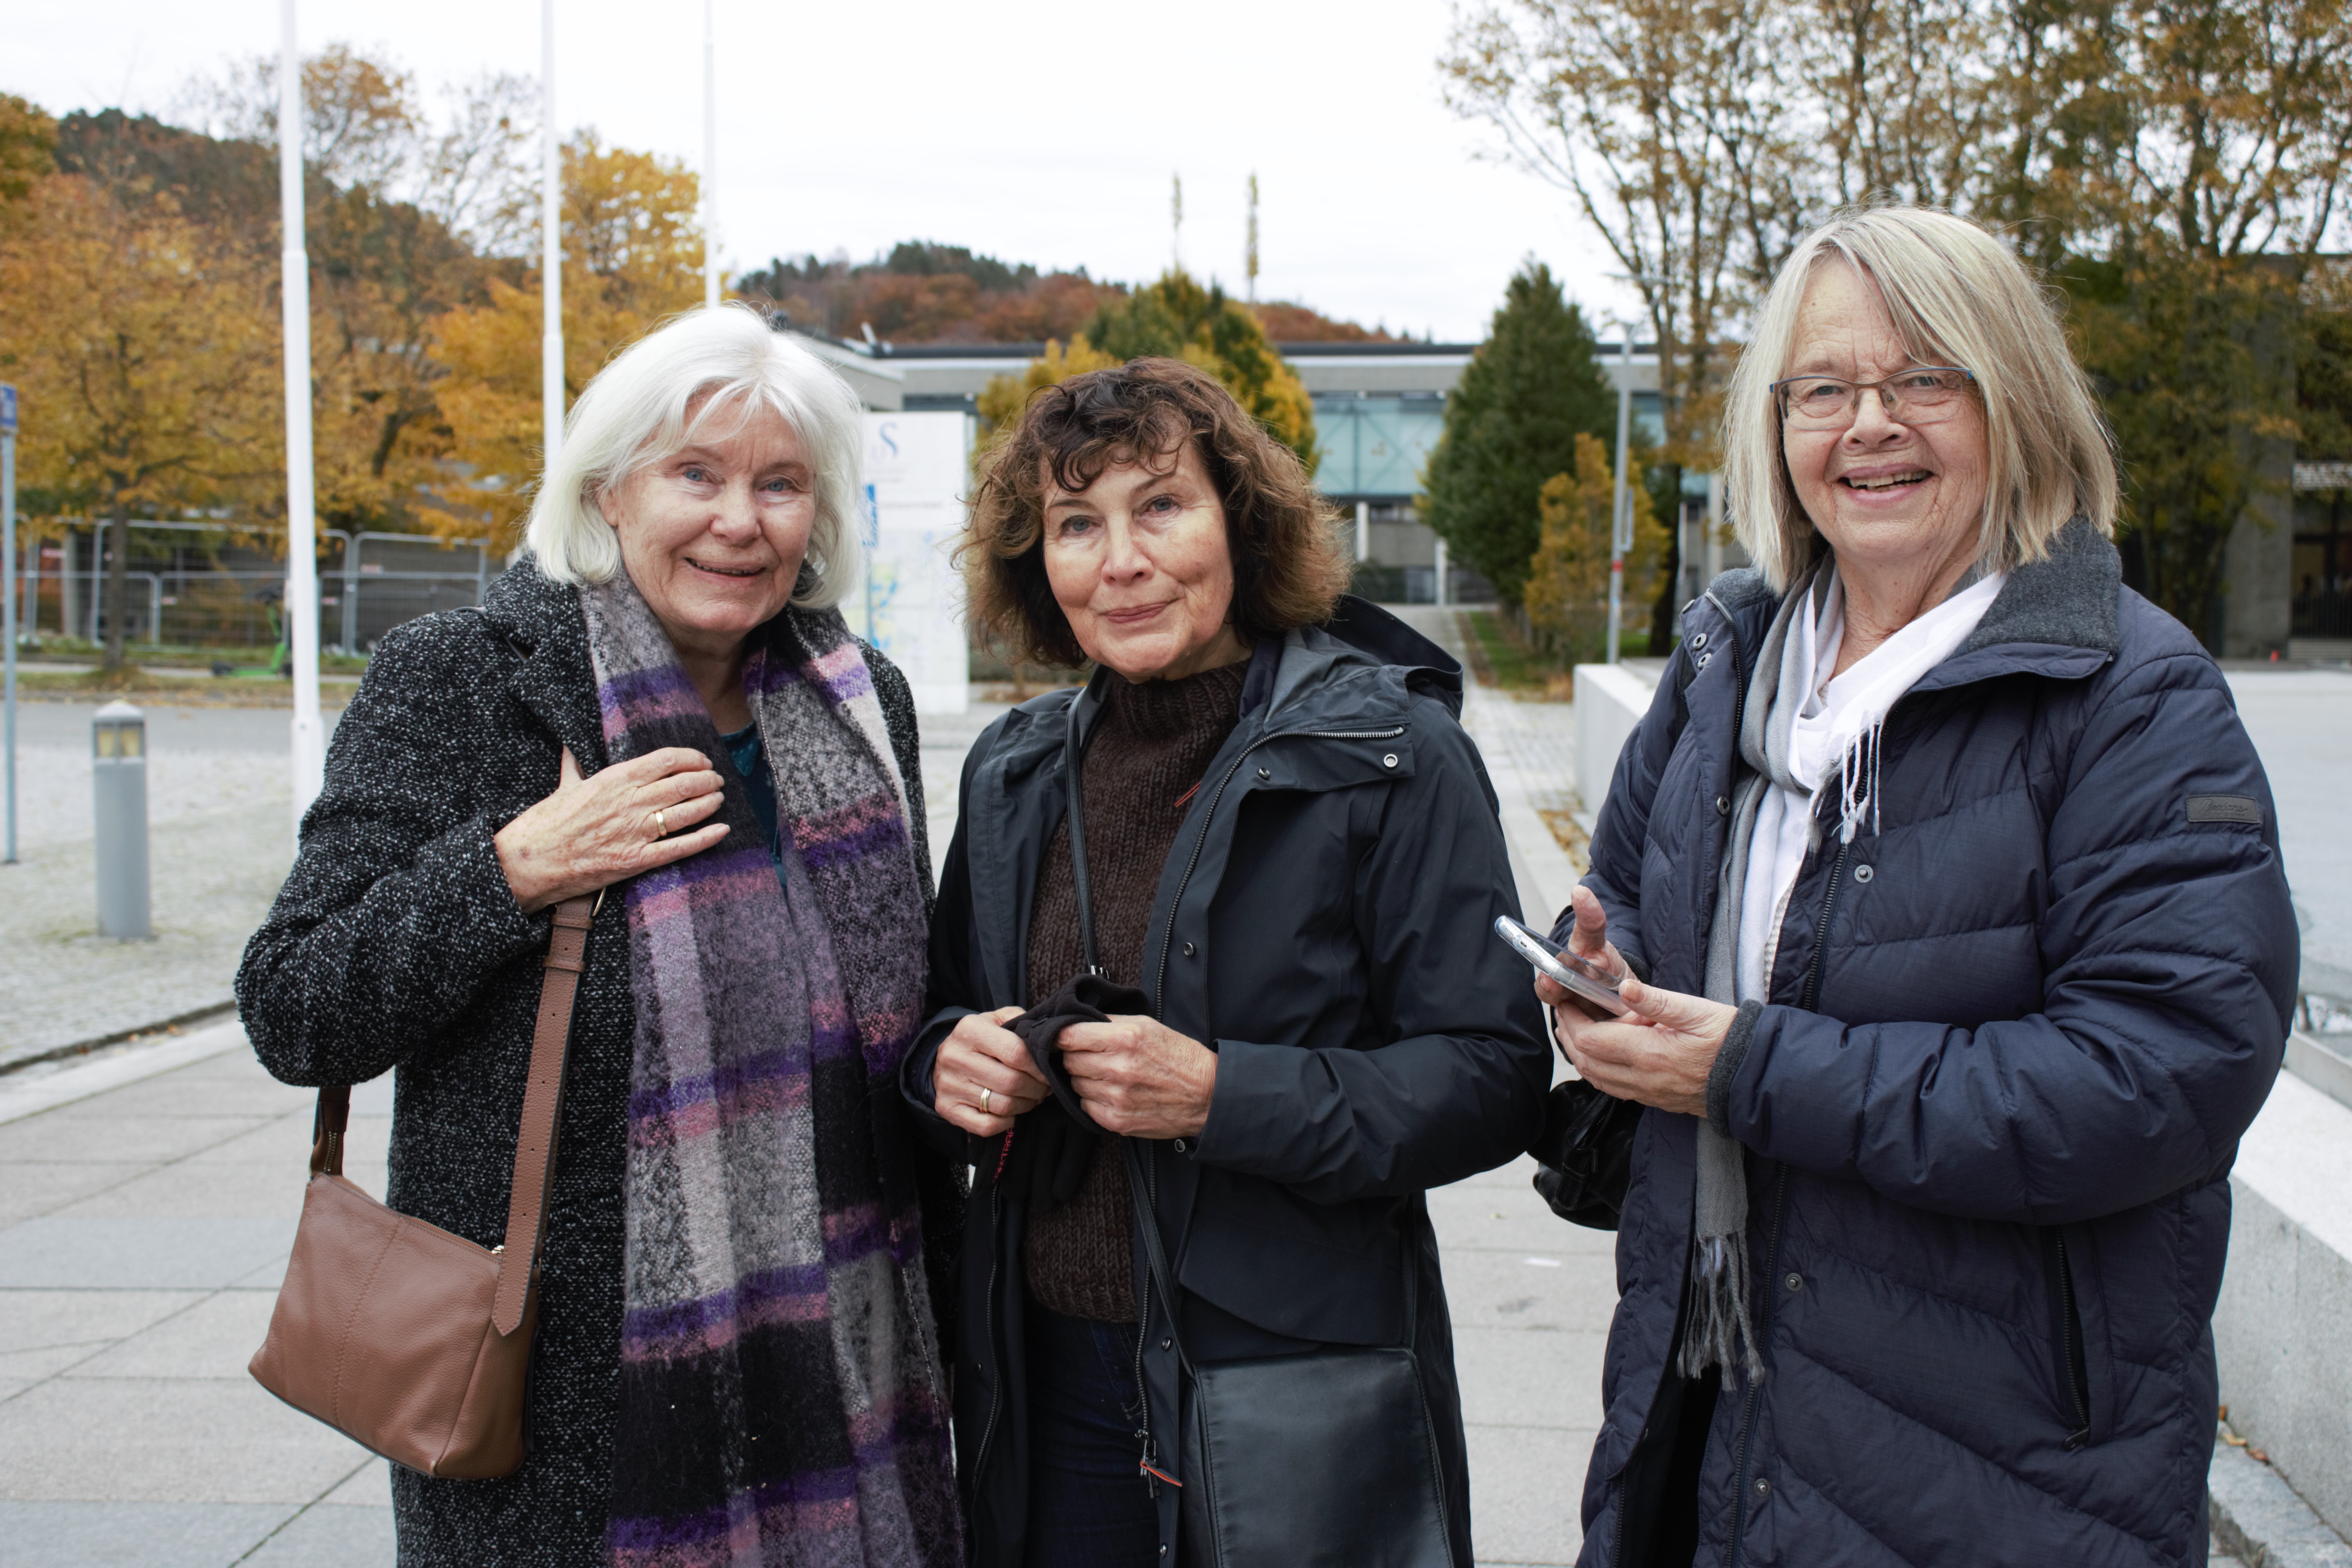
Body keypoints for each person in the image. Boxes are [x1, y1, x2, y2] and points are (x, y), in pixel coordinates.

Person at [1542, 205, 2298, 1567]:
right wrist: (1595, 976)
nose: (1868, 424)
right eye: (1823, 389)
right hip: (1708, 1402)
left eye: (1924, 378)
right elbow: (1631, 891)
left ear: (2015, 402)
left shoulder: (2133, 693)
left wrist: (1748, 1070)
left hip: (2000, 1464)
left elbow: (2162, 1077)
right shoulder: (1727, 660)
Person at [237, 304, 962, 1567]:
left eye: (779, 484)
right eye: (696, 474)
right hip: (570, 1402)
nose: (741, 520)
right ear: (609, 489)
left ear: (819, 516)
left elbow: (893, 1018)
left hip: (844, 1365)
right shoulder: (467, 678)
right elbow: (297, 1004)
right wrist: (516, 866)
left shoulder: (860, 705)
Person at [906, 358, 1551, 1568]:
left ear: (1241, 525)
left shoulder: (1391, 752)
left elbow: (1495, 1074)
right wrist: (950, 1066)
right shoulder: (1011, 771)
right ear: (1036, 563)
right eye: (1077, 524)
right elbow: (935, 1024)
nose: (1122, 560)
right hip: (1046, 1392)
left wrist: (1220, 1096)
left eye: (1161, 506)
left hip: (1291, 1395)